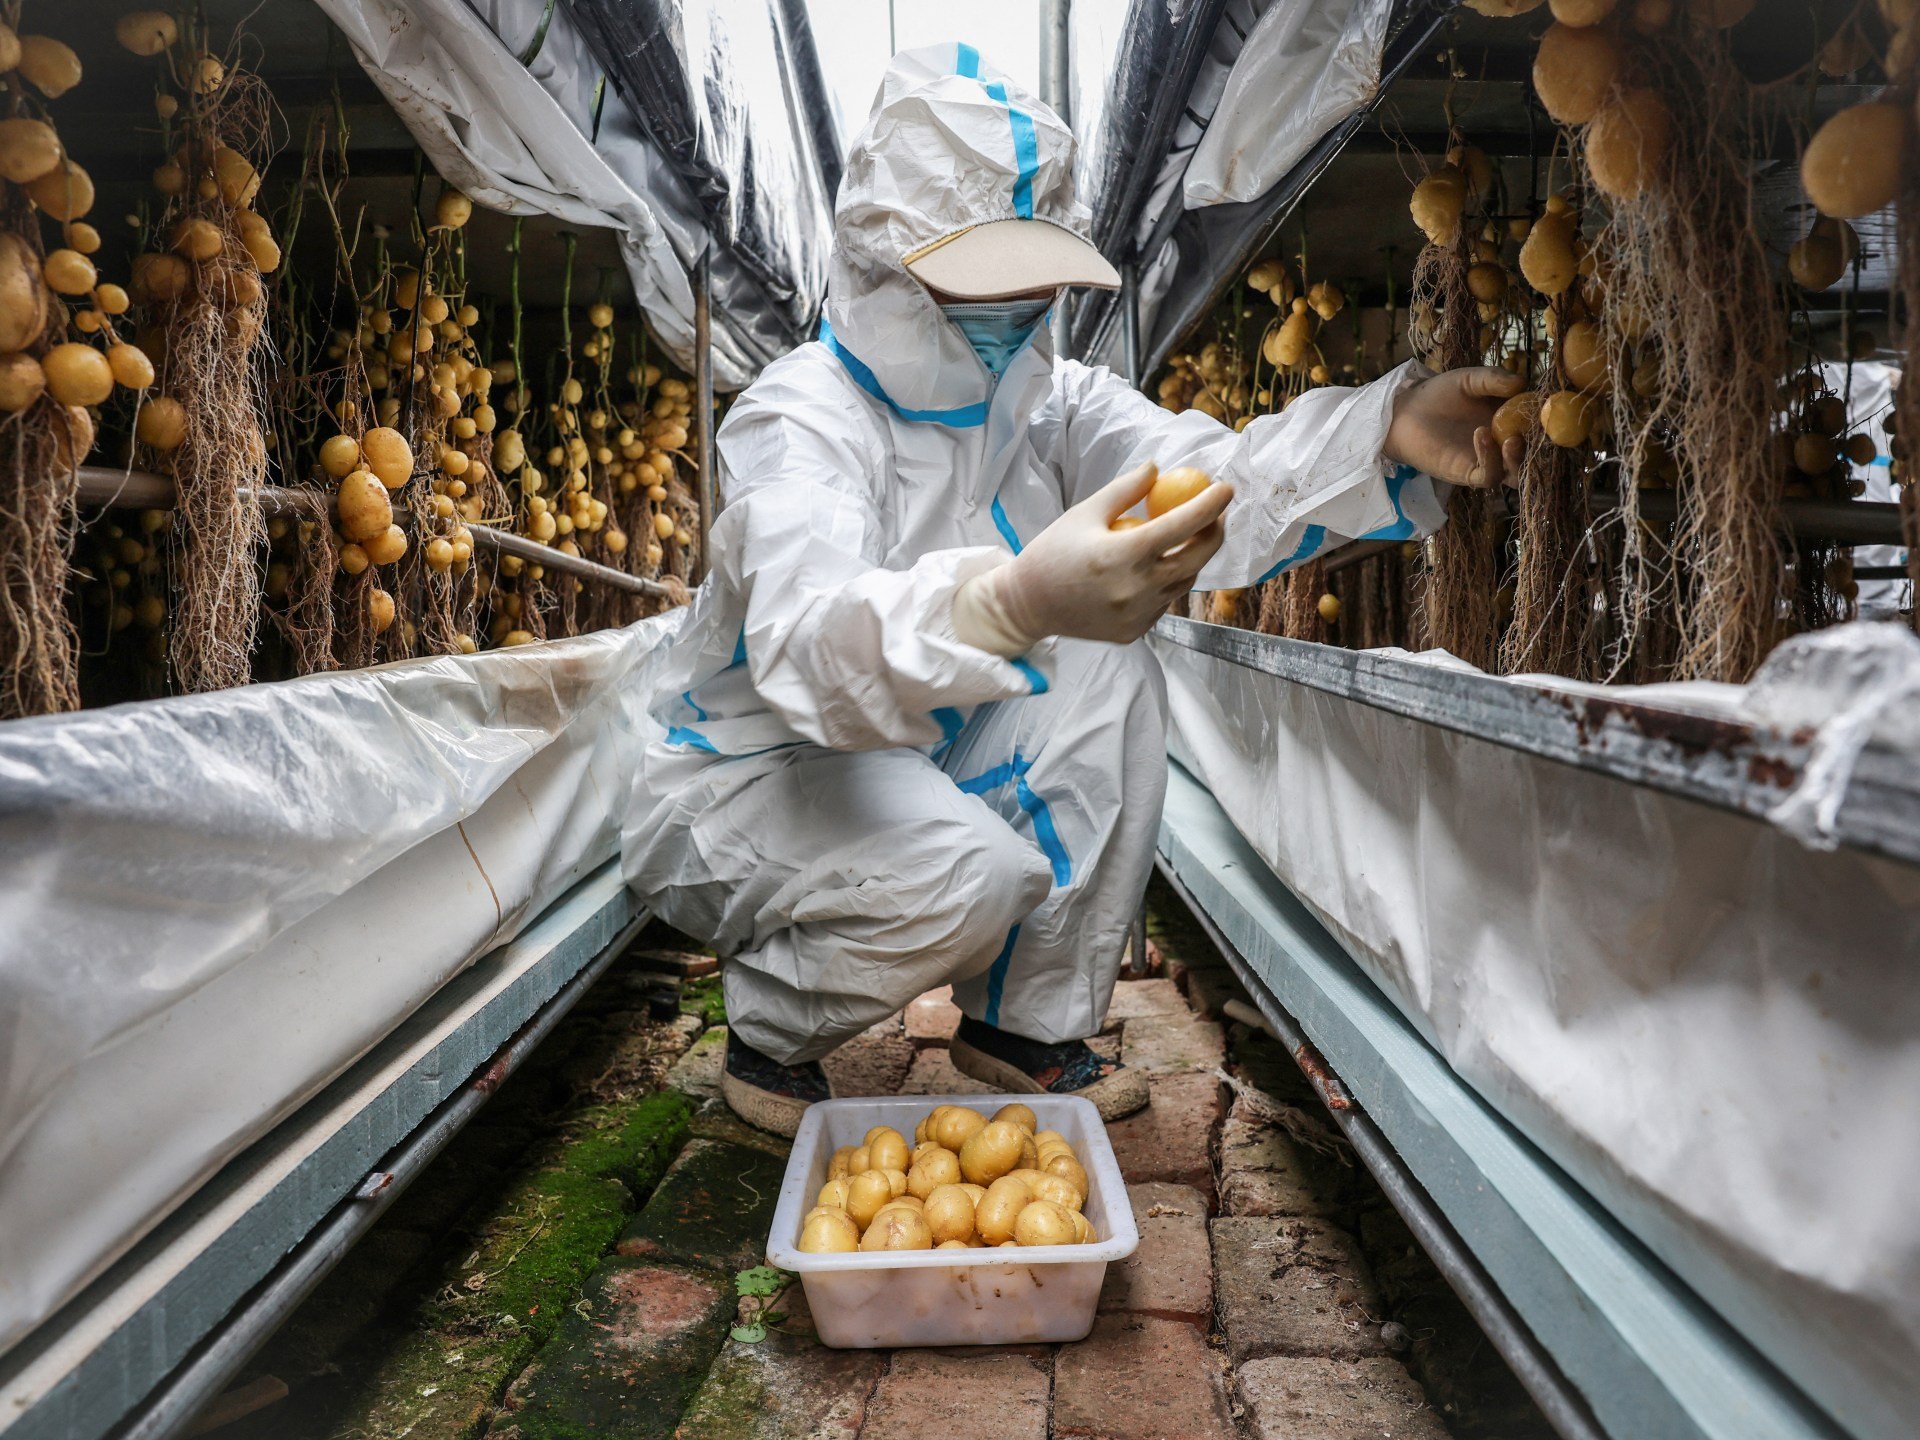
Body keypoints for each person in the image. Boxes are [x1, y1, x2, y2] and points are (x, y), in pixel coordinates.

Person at [625, 45, 1523, 1136]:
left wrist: (1379, 429)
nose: (1019, 309)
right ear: (889, 266)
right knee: (967, 876)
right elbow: (812, 650)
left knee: (1110, 657)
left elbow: (1204, 479)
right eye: (984, 280)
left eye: (1031, 278)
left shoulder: (1044, 403)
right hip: (749, 774)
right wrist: (1012, 603)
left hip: (905, 750)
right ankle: (772, 1029)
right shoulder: (803, 417)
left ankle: (1023, 1023)